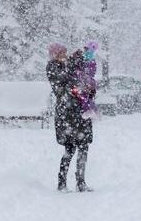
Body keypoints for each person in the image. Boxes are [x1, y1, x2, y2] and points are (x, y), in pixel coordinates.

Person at [46, 44, 93, 192]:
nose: (65, 56)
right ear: (55, 55)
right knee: (70, 149)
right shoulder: (52, 67)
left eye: (66, 53)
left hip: (80, 113)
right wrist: (72, 65)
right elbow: (61, 84)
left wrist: (88, 90)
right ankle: (62, 183)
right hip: (66, 115)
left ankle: (81, 182)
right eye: (62, 53)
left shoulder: (71, 67)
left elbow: (82, 84)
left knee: (84, 148)